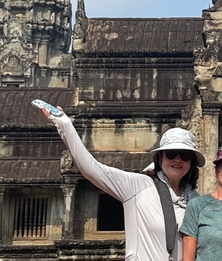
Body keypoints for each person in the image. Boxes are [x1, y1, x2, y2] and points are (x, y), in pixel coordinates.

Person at [40, 104, 204, 261]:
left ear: (191, 162)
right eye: (172, 153)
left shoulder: (195, 201)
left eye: (185, 155)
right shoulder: (138, 186)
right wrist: (65, 125)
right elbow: (91, 168)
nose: (177, 159)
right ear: (160, 157)